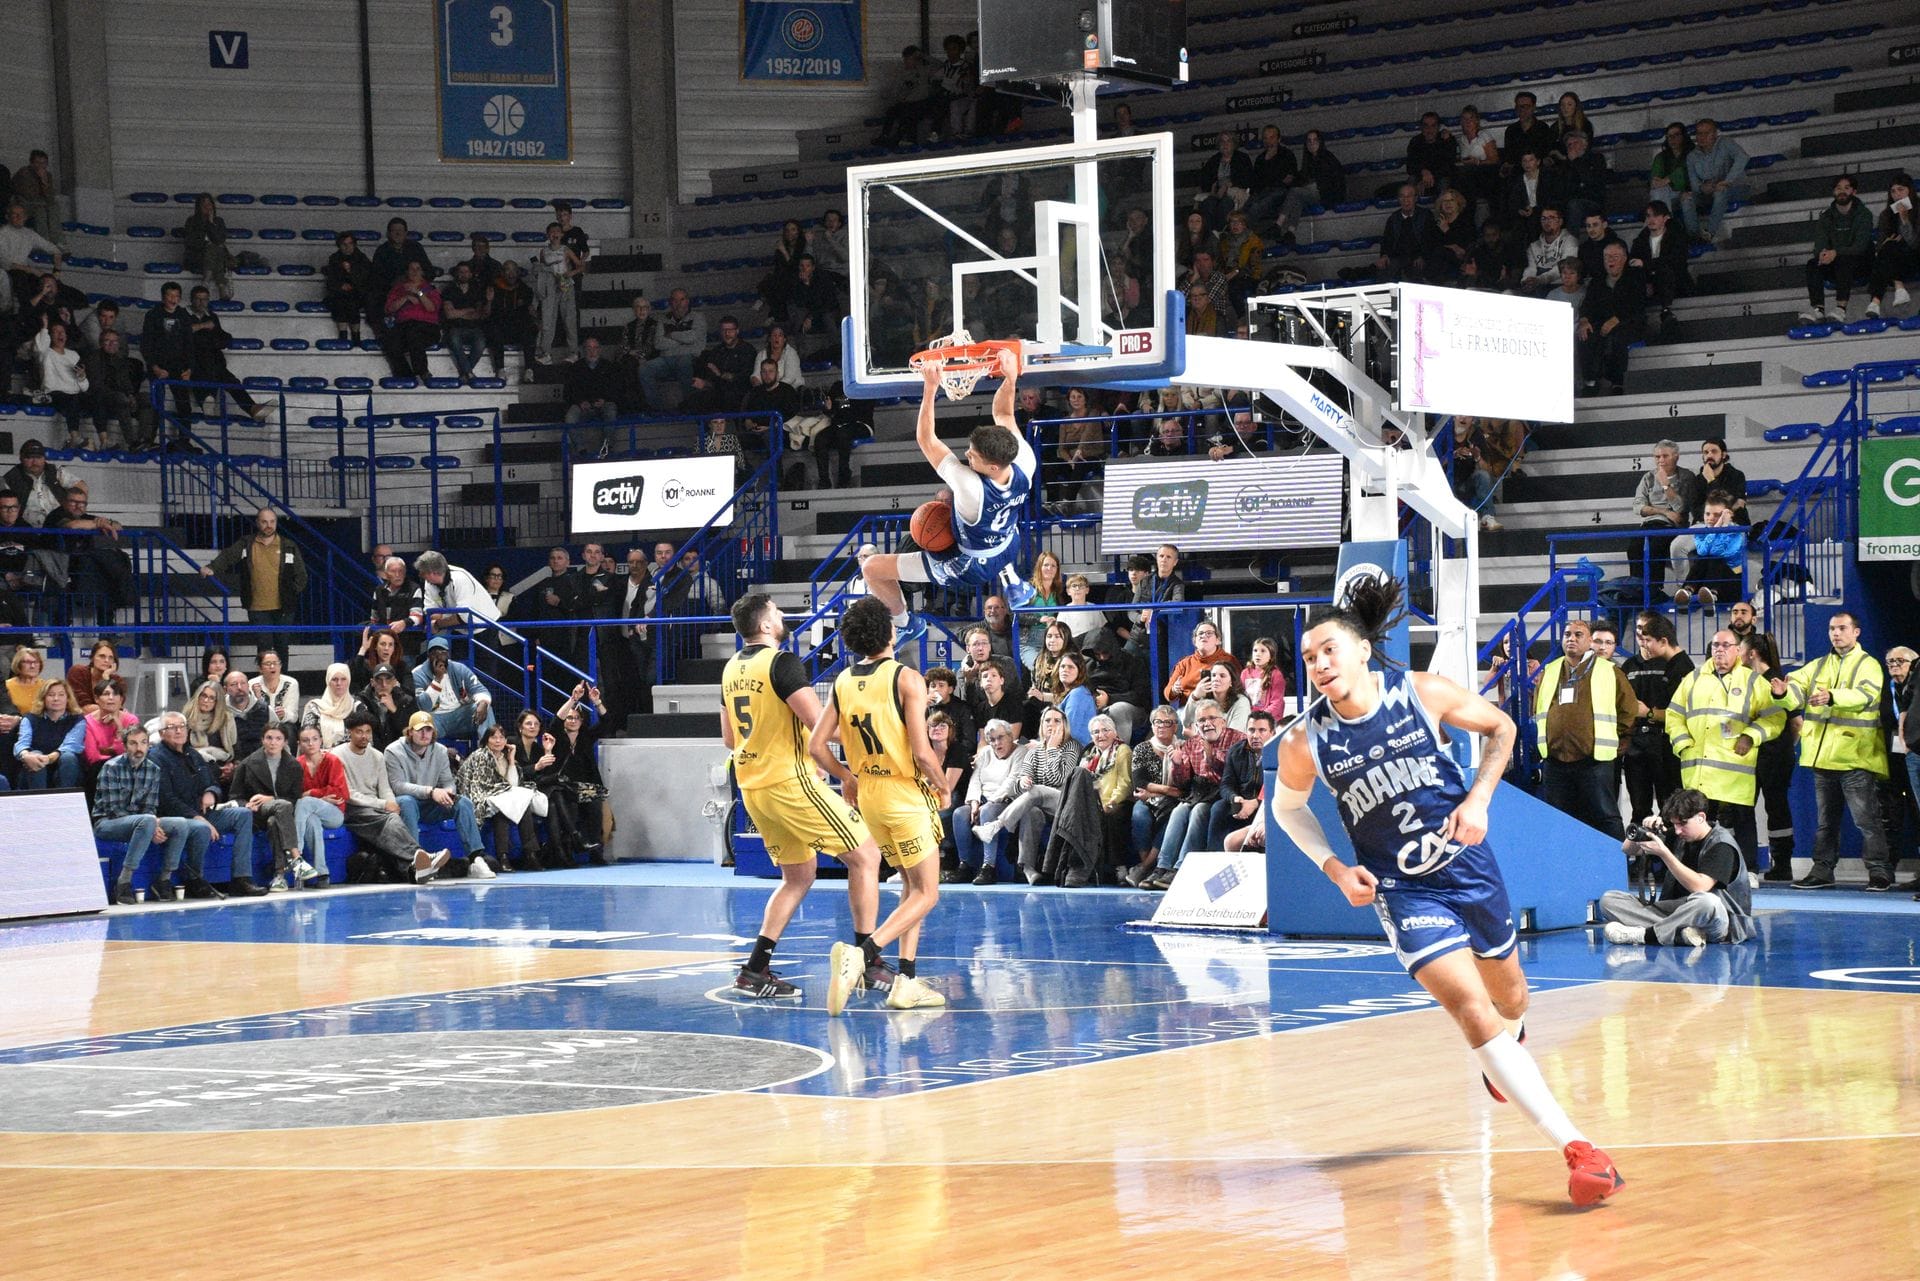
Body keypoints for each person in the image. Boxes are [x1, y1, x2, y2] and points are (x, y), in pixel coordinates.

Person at [1269, 574, 1623, 1206]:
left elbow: (1502, 730)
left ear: (1359, 651)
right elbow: (1288, 811)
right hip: (1402, 890)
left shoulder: (1421, 693)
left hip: (1467, 867)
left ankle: (1506, 1051)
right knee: (1469, 1010)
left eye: (1328, 650)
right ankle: (1579, 1148)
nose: (1319, 664)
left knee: (1510, 997)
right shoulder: (1306, 739)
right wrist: (1333, 867)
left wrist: (1481, 797)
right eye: (1309, 657)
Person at [721, 594, 885, 1000]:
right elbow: (818, 725)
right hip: (788, 782)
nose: (782, 617)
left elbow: (729, 738)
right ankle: (866, 959)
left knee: (798, 875)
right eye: (776, 612)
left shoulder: (729, 669)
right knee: (866, 855)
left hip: (752, 786)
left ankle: (754, 969)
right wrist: (855, 760)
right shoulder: (781, 662)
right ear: (764, 626)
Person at [811, 598, 952, 1011]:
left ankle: (906, 980)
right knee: (928, 894)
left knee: (910, 887)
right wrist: (943, 787)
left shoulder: (841, 681)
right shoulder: (907, 679)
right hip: (903, 793)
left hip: (869, 794)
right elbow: (923, 753)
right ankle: (865, 954)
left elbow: (818, 744)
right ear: (890, 632)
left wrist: (846, 777)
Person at [861, 347, 1037, 650]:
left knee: (872, 569)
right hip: (1010, 545)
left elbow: (926, 440)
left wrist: (930, 389)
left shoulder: (971, 487)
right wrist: (1009, 379)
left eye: (973, 455)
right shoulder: (1024, 461)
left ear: (993, 466)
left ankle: (905, 624)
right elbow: (1004, 414)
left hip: (968, 564)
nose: (967, 454)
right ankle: (1014, 584)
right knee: (1000, 531)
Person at [1781, 612, 1893, 889]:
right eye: (1832, 628)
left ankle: (1880, 872)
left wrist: (1832, 696)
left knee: (1867, 821)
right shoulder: (1819, 666)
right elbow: (1795, 687)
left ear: (1856, 632)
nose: (1836, 633)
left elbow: (1865, 696)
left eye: (1842, 628)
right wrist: (1782, 692)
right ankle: (1822, 871)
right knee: (1825, 824)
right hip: (1824, 759)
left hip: (1856, 757)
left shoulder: (1868, 665)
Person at [1665, 629, 1783, 871]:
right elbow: (1673, 715)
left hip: (1735, 769)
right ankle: (1695, 871)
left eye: (1726, 645)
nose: (1719, 649)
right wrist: (1682, 743)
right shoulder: (1693, 678)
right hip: (1698, 768)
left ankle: (1748, 870)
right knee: (1697, 823)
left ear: (1738, 650)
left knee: (1742, 820)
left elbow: (1775, 718)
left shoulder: (1752, 681)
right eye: (1715, 645)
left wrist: (1751, 736)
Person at [1602, 788, 1753, 946]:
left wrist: (1665, 854)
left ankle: (1645, 935)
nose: (1678, 830)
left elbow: (1700, 887)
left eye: (1683, 824)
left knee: (1708, 902)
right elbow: (1628, 849)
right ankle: (1680, 933)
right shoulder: (1680, 835)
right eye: (1675, 824)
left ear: (1701, 817)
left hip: (1718, 920)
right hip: (1678, 910)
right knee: (1609, 900)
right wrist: (1643, 829)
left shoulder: (1722, 844)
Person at [1531, 619, 1636, 840]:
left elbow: (1628, 711)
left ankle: (1614, 867)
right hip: (1555, 760)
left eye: (1578, 635)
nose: (1571, 638)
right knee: (1556, 819)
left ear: (1590, 641)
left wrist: (1612, 739)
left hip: (1593, 761)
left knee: (1605, 817)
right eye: (1567, 634)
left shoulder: (1609, 671)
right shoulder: (1549, 671)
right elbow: (1538, 708)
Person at [151, 709, 263, 897]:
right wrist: (197, 817)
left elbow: (212, 782)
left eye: (182, 727)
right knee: (201, 828)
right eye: (172, 727)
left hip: (203, 813)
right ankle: (195, 879)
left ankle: (241, 878)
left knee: (243, 814)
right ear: (162, 733)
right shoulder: (156, 758)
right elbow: (166, 799)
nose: (178, 731)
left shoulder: (193, 754)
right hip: (178, 817)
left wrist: (211, 793)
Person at [333, 708, 445, 883]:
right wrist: (383, 805)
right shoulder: (337, 755)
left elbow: (385, 788)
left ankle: (414, 868)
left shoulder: (377, 756)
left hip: (375, 809)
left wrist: (392, 804)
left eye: (368, 732)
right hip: (352, 808)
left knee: (393, 818)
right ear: (350, 732)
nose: (364, 736)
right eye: (359, 732)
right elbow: (348, 794)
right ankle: (420, 856)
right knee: (388, 821)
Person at [1145, 697, 1245, 887]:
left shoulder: (1238, 740)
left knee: (1199, 810)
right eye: (1201, 720)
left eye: (1212, 718)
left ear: (1222, 721)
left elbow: (1235, 776)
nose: (1207, 724)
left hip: (1225, 792)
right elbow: (1183, 782)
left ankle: (1181, 868)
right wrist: (1177, 764)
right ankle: (1162, 867)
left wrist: (1211, 756)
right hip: (1199, 792)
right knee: (1179, 810)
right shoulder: (1192, 743)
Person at [386, 711, 494, 878]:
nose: (424, 734)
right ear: (410, 732)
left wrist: (448, 792)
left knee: (463, 802)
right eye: (420, 730)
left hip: (430, 805)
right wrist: (431, 791)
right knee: (406, 801)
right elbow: (398, 786)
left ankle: (476, 860)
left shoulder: (441, 751)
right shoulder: (393, 751)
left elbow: (448, 781)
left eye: (428, 730)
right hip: (406, 805)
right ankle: (413, 862)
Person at [203, 508, 306, 662]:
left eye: (272, 521)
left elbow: (302, 575)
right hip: (257, 607)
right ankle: (264, 683)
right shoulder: (247, 544)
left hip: (284, 607)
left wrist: (290, 593)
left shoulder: (288, 545)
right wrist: (212, 567)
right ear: (258, 523)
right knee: (263, 647)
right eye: (264, 522)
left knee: (282, 647)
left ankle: (282, 682)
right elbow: (228, 556)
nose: (269, 525)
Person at [93, 725, 181, 905]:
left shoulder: (153, 769)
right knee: (147, 820)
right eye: (133, 743)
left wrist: (151, 825)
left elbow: (150, 806)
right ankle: (123, 882)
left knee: (180, 824)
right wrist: (148, 824)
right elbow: (113, 809)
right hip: (107, 824)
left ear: (149, 745)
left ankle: (163, 880)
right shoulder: (111, 767)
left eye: (143, 743)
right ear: (125, 746)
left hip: (141, 823)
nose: (138, 748)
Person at [233, 723, 323, 892]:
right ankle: (297, 859)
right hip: (257, 812)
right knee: (282, 806)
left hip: (283, 813)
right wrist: (246, 805)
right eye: (269, 738)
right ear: (262, 740)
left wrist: (272, 798)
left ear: (285, 742)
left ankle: (279, 876)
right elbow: (234, 796)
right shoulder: (247, 764)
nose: (273, 742)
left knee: (276, 820)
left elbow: (296, 799)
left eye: (278, 738)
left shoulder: (294, 766)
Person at [1622, 613, 1692, 826]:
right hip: (1638, 746)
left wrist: (1648, 713)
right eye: (1640, 637)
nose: (1644, 644)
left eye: (1648, 639)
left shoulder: (1682, 669)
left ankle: (1668, 856)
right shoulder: (1631, 665)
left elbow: (1682, 715)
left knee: (1670, 809)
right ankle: (1645, 855)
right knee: (1640, 808)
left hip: (1668, 748)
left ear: (1663, 641)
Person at [457, 722, 550, 873]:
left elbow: (513, 784)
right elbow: (480, 785)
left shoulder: (506, 757)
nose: (498, 741)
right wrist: (504, 792)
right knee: (504, 807)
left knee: (522, 802)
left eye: (501, 737)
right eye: (494, 737)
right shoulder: (480, 756)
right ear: (487, 740)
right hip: (480, 796)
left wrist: (512, 760)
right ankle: (503, 857)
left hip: (501, 796)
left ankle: (531, 854)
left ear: (506, 741)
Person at [951, 718, 1033, 884]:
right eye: (992, 739)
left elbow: (1011, 782)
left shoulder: (1021, 752)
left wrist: (987, 804)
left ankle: (989, 867)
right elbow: (975, 780)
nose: (996, 743)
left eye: (1000, 738)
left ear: (1010, 736)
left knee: (988, 811)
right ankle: (965, 865)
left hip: (1007, 800)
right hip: (982, 800)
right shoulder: (985, 753)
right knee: (959, 814)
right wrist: (974, 803)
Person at [548, 683, 611, 864]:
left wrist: (597, 702)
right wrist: (573, 699)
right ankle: (568, 854)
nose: (572, 720)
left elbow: (607, 722)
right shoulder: (556, 738)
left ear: (582, 721)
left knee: (594, 807)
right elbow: (555, 721)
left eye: (576, 718)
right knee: (572, 809)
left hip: (587, 788)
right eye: (569, 718)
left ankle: (596, 852)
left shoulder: (586, 737)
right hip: (565, 787)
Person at [1799, 174, 1875, 324]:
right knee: (1813, 264)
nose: (1842, 191)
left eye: (1846, 188)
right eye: (1838, 188)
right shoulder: (1826, 217)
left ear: (1854, 192)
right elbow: (1819, 244)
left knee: (1844, 260)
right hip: (1834, 262)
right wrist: (1822, 254)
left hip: (1861, 263)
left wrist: (1836, 252)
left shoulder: (1864, 214)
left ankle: (1841, 309)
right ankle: (1818, 309)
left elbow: (1860, 246)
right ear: (1834, 192)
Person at [1630, 439, 1695, 593]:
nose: (1660, 460)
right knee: (1633, 548)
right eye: (1657, 457)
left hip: (1672, 527)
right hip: (1650, 524)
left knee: (1654, 546)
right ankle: (1638, 590)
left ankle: (1654, 590)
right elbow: (1638, 506)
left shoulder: (1687, 476)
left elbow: (1681, 508)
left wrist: (1666, 485)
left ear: (1676, 457)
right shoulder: (1648, 477)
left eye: (1665, 456)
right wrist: (1664, 511)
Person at [140, 281, 196, 441]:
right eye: (170, 296)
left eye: (177, 296)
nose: (174, 299)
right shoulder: (153, 315)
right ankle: (150, 439)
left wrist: (190, 368)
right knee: (157, 405)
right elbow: (146, 344)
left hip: (179, 366)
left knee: (184, 405)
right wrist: (154, 367)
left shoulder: (184, 316)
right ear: (163, 297)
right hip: (158, 366)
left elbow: (189, 344)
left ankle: (185, 441)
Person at [410, 635, 494, 741]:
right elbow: (423, 706)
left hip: (459, 714)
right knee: (422, 721)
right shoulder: (417, 673)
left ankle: (488, 751)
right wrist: (437, 680)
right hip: (435, 718)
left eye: (443, 653)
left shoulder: (459, 669)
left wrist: (483, 703)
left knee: (486, 707)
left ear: (448, 655)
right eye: (435, 654)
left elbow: (480, 689)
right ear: (428, 656)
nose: (439, 657)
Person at [1671, 490, 1746, 608]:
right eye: (1707, 514)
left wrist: (1724, 525)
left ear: (1728, 515)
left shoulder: (1738, 531)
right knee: (1704, 556)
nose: (1710, 518)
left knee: (1716, 554)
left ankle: (1709, 593)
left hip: (1729, 586)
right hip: (1703, 587)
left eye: (1717, 515)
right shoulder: (1703, 531)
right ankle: (1688, 591)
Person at [1681, 118, 1748, 246]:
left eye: (1707, 133)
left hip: (1735, 188)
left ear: (1715, 133)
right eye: (1699, 133)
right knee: (1686, 198)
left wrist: (1727, 181)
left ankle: (1709, 234)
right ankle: (1694, 236)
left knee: (1720, 192)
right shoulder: (1692, 156)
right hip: (1709, 192)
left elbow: (1743, 157)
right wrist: (1702, 188)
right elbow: (1694, 184)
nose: (1702, 137)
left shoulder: (1725, 143)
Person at [1627, 201, 1690, 335]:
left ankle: (1666, 311)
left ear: (1665, 218)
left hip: (1675, 283)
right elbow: (1633, 262)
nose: (1651, 219)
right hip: (1649, 283)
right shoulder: (1641, 240)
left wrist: (1646, 264)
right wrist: (1647, 281)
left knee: (1664, 271)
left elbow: (1674, 262)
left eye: (1655, 215)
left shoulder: (1676, 237)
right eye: (1648, 216)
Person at [293, 725, 343, 889]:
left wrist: (310, 793)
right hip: (309, 814)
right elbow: (294, 794)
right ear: (299, 743)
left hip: (334, 813)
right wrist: (321, 796)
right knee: (312, 822)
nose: (311, 743)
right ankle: (322, 873)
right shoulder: (296, 764)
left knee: (305, 802)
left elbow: (338, 793)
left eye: (315, 739)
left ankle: (296, 854)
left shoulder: (332, 760)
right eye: (306, 740)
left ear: (321, 740)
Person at [411, 549, 500, 634]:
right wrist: (448, 618)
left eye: (422, 573)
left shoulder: (460, 578)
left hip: (485, 624)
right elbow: (431, 612)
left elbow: (463, 616)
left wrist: (438, 624)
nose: (420, 576)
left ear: (432, 572)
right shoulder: (429, 582)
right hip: (459, 629)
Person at [15, 677, 83, 789]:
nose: (56, 698)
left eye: (61, 694)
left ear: (68, 698)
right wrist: (25, 755)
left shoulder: (78, 720)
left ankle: (64, 799)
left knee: (68, 757)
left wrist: (48, 758)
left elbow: (71, 745)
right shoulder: (29, 719)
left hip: (66, 770)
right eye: (51, 695)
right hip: (34, 770)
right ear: (43, 698)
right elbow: (22, 743)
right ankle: (39, 802)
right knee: (35, 755)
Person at [532, 221, 585, 363]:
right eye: (552, 232)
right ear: (548, 235)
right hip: (550, 287)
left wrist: (571, 273)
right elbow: (543, 269)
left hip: (565, 286)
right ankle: (546, 353)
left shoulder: (566, 249)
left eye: (557, 231)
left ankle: (574, 352)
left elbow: (581, 266)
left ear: (562, 234)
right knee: (548, 319)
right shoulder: (544, 251)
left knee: (569, 319)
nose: (555, 234)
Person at [1867, 175, 1917, 319]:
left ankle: (1876, 300)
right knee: (1888, 248)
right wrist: (1887, 242)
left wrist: (1905, 219)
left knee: (1890, 248)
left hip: (1914, 258)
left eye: (1901, 190)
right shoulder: (1886, 215)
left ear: (1910, 191)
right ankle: (1899, 287)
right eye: (1893, 191)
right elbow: (1880, 247)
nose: (1897, 195)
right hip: (1893, 260)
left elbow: (1914, 243)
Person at [381, 261, 441, 381]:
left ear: (422, 272)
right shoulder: (398, 289)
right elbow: (389, 309)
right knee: (389, 341)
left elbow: (431, 308)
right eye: (411, 269)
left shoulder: (430, 289)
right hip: (404, 326)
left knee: (414, 332)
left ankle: (422, 371)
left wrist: (418, 292)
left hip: (427, 328)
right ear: (407, 272)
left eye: (417, 269)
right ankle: (405, 376)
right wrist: (406, 297)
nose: (414, 272)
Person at [563, 337, 622, 457]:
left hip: (604, 403)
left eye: (595, 348)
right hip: (583, 405)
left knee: (611, 411)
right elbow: (569, 391)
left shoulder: (608, 366)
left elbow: (616, 388)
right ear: (583, 350)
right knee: (570, 417)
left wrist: (604, 399)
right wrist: (580, 402)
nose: (592, 351)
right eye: (589, 348)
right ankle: (581, 449)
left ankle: (607, 447)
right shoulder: (576, 368)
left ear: (599, 350)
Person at [439, 260, 491, 384]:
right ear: (456, 273)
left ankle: (465, 373)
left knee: (481, 343)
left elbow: (478, 315)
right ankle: (469, 373)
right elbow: (449, 314)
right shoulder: (449, 290)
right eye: (461, 271)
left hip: (474, 328)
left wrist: (459, 312)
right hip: (454, 328)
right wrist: (468, 310)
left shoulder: (477, 290)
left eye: (466, 271)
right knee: (454, 339)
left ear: (471, 274)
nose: (463, 274)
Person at [322, 232, 374, 343]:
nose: (347, 247)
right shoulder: (334, 259)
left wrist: (350, 272)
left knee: (351, 300)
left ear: (354, 245)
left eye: (350, 243)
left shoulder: (362, 259)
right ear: (339, 246)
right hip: (340, 294)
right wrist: (341, 286)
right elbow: (331, 281)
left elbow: (365, 280)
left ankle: (354, 335)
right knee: (342, 299)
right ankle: (345, 335)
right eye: (344, 244)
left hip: (359, 294)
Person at [301, 662, 360, 749]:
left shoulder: (357, 707)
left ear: (349, 681)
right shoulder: (315, 708)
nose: (339, 683)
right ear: (328, 681)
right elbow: (308, 737)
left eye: (343, 679)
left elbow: (364, 737)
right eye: (334, 679)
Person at [66, 639, 119, 715]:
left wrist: (106, 679)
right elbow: (84, 708)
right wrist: (110, 710)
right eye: (102, 656)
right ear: (92, 658)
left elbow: (118, 707)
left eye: (110, 658)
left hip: (108, 722)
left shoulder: (117, 681)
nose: (106, 660)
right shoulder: (78, 672)